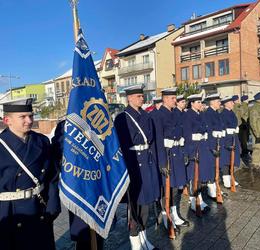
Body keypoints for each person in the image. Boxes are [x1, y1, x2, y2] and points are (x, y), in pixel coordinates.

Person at [0, 98, 61, 250]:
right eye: (23, 117)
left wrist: (53, 205)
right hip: (9, 213)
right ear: (8, 120)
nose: (29, 120)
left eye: (31, 116)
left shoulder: (41, 141)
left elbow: (52, 176)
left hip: (38, 209)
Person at [114, 85, 160, 250]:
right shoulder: (122, 118)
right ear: (129, 98)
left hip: (146, 164)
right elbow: (118, 147)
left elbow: (152, 142)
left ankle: (144, 239)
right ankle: (135, 244)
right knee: (134, 208)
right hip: (132, 165)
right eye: (139, 96)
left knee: (145, 206)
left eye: (142, 95)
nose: (142, 98)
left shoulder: (146, 116)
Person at [51, 119, 105, 250]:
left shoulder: (101, 122)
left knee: (100, 229)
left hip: (99, 184)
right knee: (83, 232)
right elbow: (58, 151)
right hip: (79, 186)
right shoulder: (66, 125)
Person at [152, 87, 189, 230]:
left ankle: (174, 214)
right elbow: (157, 139)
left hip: (176, 152)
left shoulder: (175, 113)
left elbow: (181, 131)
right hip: (166, 155)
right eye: (173, 98)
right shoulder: (158, 115)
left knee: (174, 187)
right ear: (165, 99)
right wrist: (162, 162)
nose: (176, 100)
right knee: (165, 188)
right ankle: (166, 216)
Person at [183, 94, 211, 212]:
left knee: (200, 175)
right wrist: (193, 139)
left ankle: (199, 197)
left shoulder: (201, 114)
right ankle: (194, 200)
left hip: (202, 146)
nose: (201, 104)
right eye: (198, 102)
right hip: (193, 147)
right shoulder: (188, 115)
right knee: (193, 175)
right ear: (192, 103)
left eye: (201, 102)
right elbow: (186, 133)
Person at [202, 93, 226, 199]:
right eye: (218, 101)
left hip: (218, 142)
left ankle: (216, 188)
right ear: (212, 102)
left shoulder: (216, 112)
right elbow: (209, 131)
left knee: (216, 167)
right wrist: (212, 148)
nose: (220, 103)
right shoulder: (208, 114)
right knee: (212, 168)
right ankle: (211, 190)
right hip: (212, 144)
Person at [220, 96, 240, 188]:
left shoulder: (231, 112)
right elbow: (223, 126)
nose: (233, 103)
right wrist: (229, 131)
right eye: (231, 102)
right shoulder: (223, 114)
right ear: (226, 104)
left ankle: (231, 177)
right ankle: (226, 179)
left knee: (232, 159)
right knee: (226, 159)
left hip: (233, 138)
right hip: (226, 139)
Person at [239, 95, 250, 159]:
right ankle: (244, 151)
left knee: (245, 138)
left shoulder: (245, 105)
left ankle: (245, 150)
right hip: (244, 123)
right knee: (244, 138)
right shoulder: (243, 106)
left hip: (245, 123)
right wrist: (245, 122)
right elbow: (243, 115)